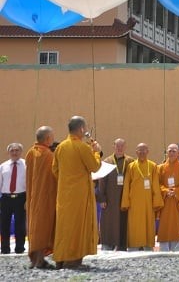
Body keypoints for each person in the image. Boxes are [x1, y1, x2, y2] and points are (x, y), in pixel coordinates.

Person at [52, 115, 102, 269]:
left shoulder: (60, 147)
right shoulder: (82, 147)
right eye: (84, 128)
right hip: (79, 194)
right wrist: (96, 152)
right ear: (81, 129)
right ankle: (72, 259)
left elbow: (55, 170)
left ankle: (60, 257)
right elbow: (94, 167)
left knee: (64, 225)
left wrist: (67, 180)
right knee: (77, 225)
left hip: (64, 193)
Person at [24, 126, 57, 269]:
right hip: (45, 197)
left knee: (35, 227)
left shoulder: (30, 153)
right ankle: (39, 260)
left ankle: (35, 259)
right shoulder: (48, 155)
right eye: (52, 137)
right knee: (43, 227)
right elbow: (56, 173)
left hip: (33, 197)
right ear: (47, 139)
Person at [120, 143, 163, 251]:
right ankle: (133, 246)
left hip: (148, 202)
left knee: (148, 224)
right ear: (136, 152)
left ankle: (148, 246)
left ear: (148, 151)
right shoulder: (131, 166)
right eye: (140, 150)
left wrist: (156, 202)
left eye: (144, 150)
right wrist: (125, 202)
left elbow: (156, 185)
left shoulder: (153, 166)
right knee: (134, 225)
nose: (142, 152)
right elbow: (126, 185)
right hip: (134, 202)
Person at [97, 138, 133, 251]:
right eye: (117, 146)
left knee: (124, 221)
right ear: (113, 147)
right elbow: (101, 181)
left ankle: (122, 246)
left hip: (125, 198)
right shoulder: (107, 162)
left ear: (125, 147)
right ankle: (107, 245)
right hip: (110, 199)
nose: (119, 148)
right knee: (109, 222)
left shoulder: (130, 162)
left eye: (122, 146)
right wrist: (102, 198)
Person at [157, 143, 179, 252]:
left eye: (173, 151)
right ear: (166, 152)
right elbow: (157, 183)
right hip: (165, 201)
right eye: (169, 151)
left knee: (176, 224)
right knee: (164, 225)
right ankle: (164, 248)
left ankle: (177, 247)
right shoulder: (160, 168)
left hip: (177, 201)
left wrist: (175, 191)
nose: (171, 153)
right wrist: (166, 191)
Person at [0, 142, 26, 255]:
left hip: (21, 197)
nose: (14, 153)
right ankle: (5, 248)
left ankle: (20, 248)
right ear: (8, 152)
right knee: (4, 223)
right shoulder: (2, 166)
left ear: (21, 152)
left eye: (17, 150)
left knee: (20, 224)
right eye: (12, 151)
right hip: (6, 198)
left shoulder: (27, 165)